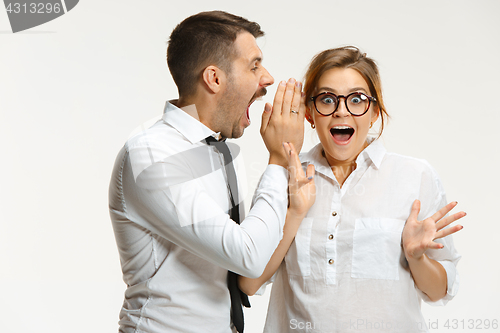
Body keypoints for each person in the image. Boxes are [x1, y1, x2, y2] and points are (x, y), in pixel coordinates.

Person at [108, 11, 313, 333]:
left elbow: (243, 277)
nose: (268, 78)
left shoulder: (218, 149)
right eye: (254, 65)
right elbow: (249, 254)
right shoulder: (152, 155)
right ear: (214, 78)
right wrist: (276, 158)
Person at [239, 46, 465, 333]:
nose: (342, 111)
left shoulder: (415, 176)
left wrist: (416, 256)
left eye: (357, 99)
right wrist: (294, 212)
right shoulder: (286, 174)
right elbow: (250, 281)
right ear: (310, 113)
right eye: (327, 99)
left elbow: (438, 291)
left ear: (373, 112)